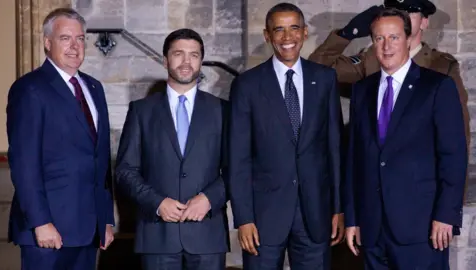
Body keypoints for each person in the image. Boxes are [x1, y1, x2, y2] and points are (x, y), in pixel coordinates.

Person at [344, 8, 467, 269]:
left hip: (421, 229)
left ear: (408, 39)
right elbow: (355, 159)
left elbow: (453, 157)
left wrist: (446, 215)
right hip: (372, 228)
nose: (387, 46)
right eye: (379, 38)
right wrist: (353, 218)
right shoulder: (362, 91)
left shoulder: (436, 87)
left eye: (394, 37)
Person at [228, 3, 343, 269]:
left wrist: (338, 208)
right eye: (278, 30)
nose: (287, 37)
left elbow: (334, 149)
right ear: (267, 35)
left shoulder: (325, 79)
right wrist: (243, 218)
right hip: (263, 217)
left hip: (315, 214)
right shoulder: (247, 85)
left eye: (294, 28)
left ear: (305, 33)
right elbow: (238, 157)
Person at [6, 8, 115, 270]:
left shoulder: (94, 87)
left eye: (80, 39)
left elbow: (100, 160)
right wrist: (40, 222)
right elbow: (24, 163)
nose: (74, 46)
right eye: (65, 38)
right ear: (47, 42)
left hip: (88, 230)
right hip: (47, 230)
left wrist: (106, 219)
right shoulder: (30, 88)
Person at [115, 28, 229, 270]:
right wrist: (157, 202)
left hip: (207, 236)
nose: (186, 62)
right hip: (157, 237)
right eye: (178, 54)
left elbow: (238, 168)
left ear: (201, 61)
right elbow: (125, 171)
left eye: (194, 55)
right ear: (165, 60)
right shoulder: (141, 111)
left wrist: (210, 199)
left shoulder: (223, 111)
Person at [308, 0, 469, 147]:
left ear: (424, 22)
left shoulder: (441, 66)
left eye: (410, 11)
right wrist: (347, 34)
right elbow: (316, 71)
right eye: (397, 11)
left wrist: (453, 178)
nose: (402, 16)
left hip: (418, 170)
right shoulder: (370, 60)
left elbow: (457, 130)